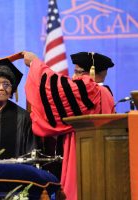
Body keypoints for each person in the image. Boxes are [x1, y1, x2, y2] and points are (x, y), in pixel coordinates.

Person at [23, 51, 115, 200]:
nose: (73, 77)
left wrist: (35, 64)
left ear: (93, 73)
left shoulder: (92, 90)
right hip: (101, 153)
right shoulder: (106, 93)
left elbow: (55, 87)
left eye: (78, 72)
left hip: (82, 151)